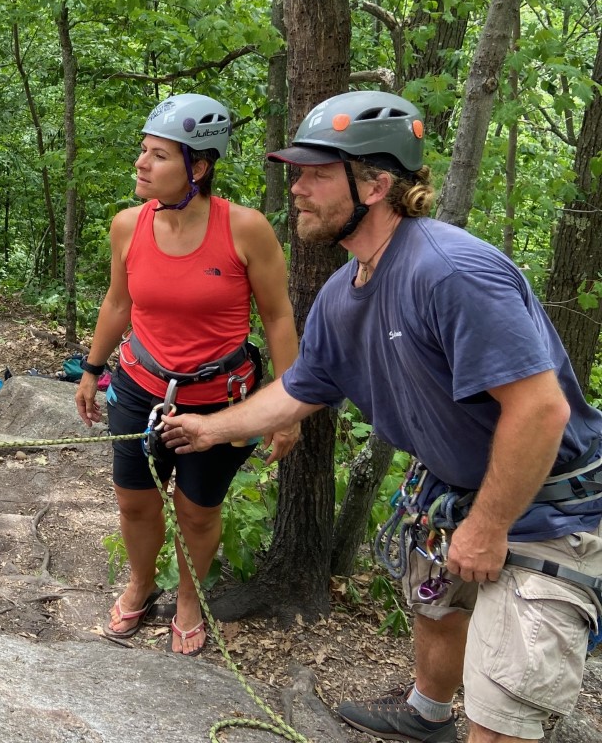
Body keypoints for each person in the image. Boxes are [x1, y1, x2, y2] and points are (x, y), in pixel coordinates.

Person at [161, 90, 602, 743]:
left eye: (315, 173)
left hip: (547, 510)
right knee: (436, 602)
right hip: (456, 490)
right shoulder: (347, 293)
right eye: (298, 172)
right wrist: (210, 429)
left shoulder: (449, 272)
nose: (298, 189)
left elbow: (539, 410)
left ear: (374, 183)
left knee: (505, 709)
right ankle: (427, 714)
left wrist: (487, 526)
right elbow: (303, 388)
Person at [74, 93, 298, 655]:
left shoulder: (245, 230)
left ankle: (190, 599)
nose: (141, 164)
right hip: (139, 389)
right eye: (142, 152)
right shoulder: (128, 226)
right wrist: (90, 371)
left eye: (159, 156)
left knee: (198, 512)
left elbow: (277, 316)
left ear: (198, 167)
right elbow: (117, 305)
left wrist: (287, 409)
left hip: (219, 400)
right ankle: (142, 584)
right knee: (135, 499)